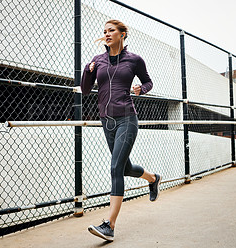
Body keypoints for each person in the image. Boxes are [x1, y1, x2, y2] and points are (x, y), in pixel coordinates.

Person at [81, 19, 162, 242]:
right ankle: (153, 178)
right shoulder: (97, 60)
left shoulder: (134, 60)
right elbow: (86, 90)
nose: (107, 34)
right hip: (106, 121)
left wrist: (140, 89)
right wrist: (88, 72)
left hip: (127, 118)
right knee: (124, 167)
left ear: (122, 34)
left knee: (116, 167)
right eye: (104, 31)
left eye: (112, 31)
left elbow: (148, 82)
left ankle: (110, 226)